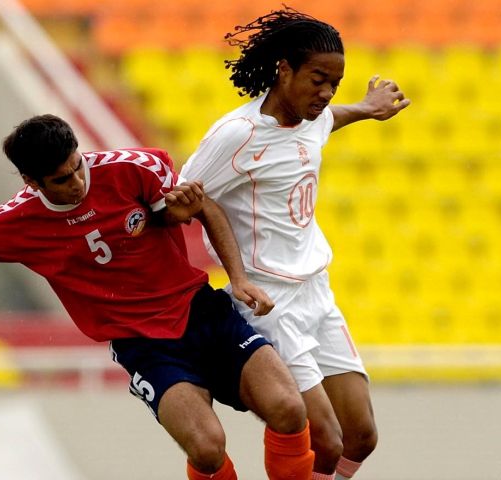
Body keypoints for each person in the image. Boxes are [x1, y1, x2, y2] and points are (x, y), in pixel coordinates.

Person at [0, 114, 316, 479]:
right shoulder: (13, 224)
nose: (78, 181)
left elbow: (196, 207)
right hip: (144, 345)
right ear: (31, 182)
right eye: (62, 179)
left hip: (201, 312)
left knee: (289, 409)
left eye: (77, 166)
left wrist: (238, 277)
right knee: (207, 449)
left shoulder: (135, 167)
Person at [181, 8, 411, 480]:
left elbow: (329, 121)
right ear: (283, 69)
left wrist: (368, 108)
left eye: (334, 83)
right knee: (323, 438)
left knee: (360, 437)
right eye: (318, 79)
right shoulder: (237, 135)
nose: (326, 94)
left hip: (317, 293)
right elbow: (184, 197)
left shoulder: (315, 118)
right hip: (269, 302)